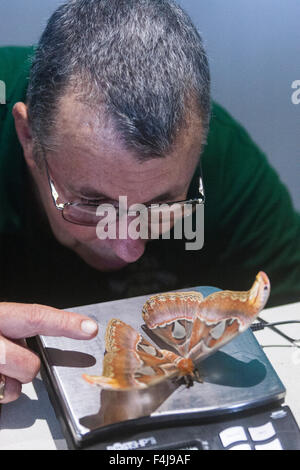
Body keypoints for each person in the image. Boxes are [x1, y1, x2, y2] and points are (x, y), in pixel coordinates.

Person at [0, 0, 299, 405]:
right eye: (91, 203)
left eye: (163, 205)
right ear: (28, 137)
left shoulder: (223, 160)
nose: (130, 248)